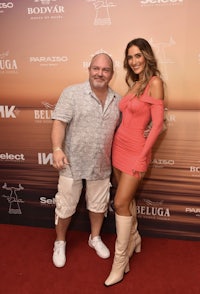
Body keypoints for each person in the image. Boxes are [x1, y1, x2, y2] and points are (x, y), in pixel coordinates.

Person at [51, 53, 121, 268]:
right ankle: (60, 242)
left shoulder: (118, 100)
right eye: (96, 68)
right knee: (65, 207)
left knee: (99, 206)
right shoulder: (72, 93)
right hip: (71, 163)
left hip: (101, 165)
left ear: (111, 74)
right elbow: (59, 123)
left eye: (105, 69)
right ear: (89, 69)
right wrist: (56, 149)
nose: (100, 73)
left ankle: (95, 238)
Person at [104, 38, 165, 286]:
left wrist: (142, 155)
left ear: (147, 56)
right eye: (130, 57)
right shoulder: (135, 83)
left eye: (138, 55)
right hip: (119, 147)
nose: (134, 61)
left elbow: (158, 124)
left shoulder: (155, 82)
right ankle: (135, 238)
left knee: (119, 203)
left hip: (136, 152)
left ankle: (120, 261)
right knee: (126, 200)